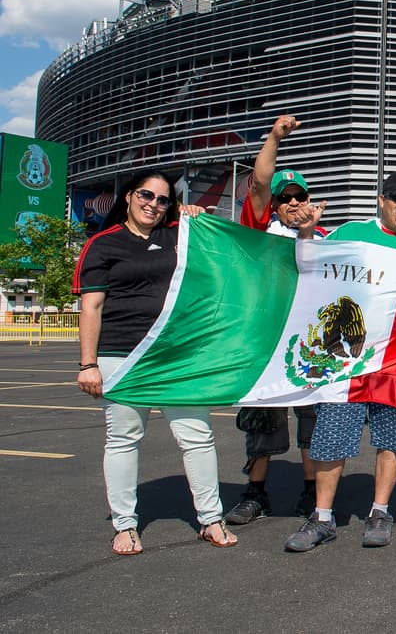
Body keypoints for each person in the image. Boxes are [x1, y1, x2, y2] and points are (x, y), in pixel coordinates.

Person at [283, 170, 396, 552]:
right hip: (348, 361)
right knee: (332, 435)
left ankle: (380, 510)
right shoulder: (350, 233)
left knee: (393, 437)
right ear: (381, 200)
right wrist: (306, 233)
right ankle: (322, 517)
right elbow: (309, 267)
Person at [75, 168, 237, 555]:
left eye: (163, 200)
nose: (153, 204)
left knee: (197, 437)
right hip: (121, 356)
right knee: (123, 439)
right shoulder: (102, 244)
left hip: (175, 356)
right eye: (146, 195)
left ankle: (211, 519)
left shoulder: (179, 236)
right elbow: (91, 307)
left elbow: (224, 252)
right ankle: (125, 525)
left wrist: (197, 218)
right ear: (129, 196)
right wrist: (87, 364)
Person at [226, 115, 326, 525]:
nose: (293, 204)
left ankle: (311, 491)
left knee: (312, 419)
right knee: (262, 420)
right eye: (285, 199)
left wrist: (309, 233)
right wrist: (274, 137)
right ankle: (256, 493)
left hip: (310, 346)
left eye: (299, 196)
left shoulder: (327, 239)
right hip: (264, 343)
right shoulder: (259, 230)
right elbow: (259, 184)